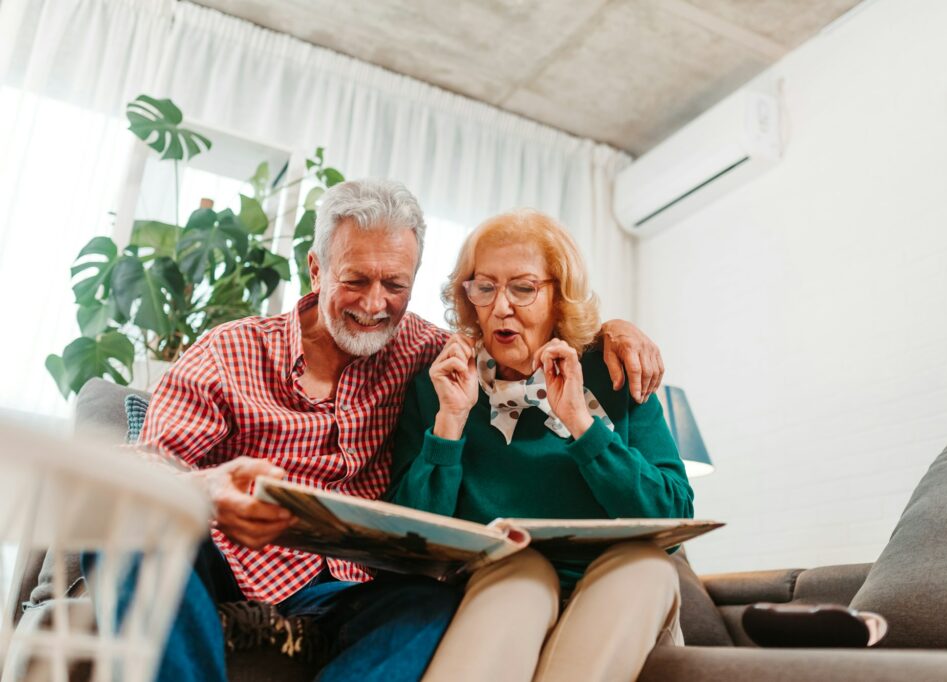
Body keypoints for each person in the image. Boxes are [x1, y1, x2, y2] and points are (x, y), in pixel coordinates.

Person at [131, 179, 666, 681]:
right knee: (129, 525)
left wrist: (615, 332)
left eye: (394, 284)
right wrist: (209, 488)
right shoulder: (230, 352)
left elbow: (521, 330)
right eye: (355, 280)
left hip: (354, 588)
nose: (373, 304)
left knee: (431, 603)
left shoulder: (431, 356)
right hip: (237, 568)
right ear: (317, 270)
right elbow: (140, 469)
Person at [386, 209, 694, 682]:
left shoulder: (613, 370)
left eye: (523, 288)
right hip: (504, 578)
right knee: (520, 573)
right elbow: (413, 543)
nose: (501, 307)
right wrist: (450, 422)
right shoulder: (441, 384)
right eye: (484, 287)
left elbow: (672, 513)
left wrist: (581, 422)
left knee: (646, 567)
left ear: (559, 298)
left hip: (620, 580)